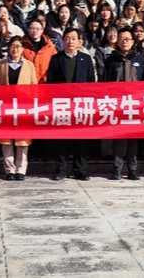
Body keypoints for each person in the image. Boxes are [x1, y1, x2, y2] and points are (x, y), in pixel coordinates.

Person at [47, 29, 96, 181]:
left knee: (81, 139)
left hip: (80, 105)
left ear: (79, 41)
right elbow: (50, 83)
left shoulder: (86, 59)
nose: (70, 41)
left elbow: (91, 82)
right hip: (62, 105)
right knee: (61, 139)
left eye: (73, 38)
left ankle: (80, 170)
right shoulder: (56, 59)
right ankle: (61, 170)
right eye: (67, 38)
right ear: (63, 41)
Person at [104, 27, 144, 180]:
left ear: (132, 42)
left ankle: (132, 169)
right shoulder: (111, 60)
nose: (125, 42)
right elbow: (105, 83)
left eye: (128, 39)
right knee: (117, 138)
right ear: (117, 42)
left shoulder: (139, 59)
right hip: (116, 104)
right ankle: (117, 169)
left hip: (134, 104)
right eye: (122, 39)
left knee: (133, 138)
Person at [0, 36, 38, 180]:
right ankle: (9, 170)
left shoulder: (29, 65)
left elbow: (34, 87)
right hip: (6, 106)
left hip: (23, 106)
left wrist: (32, 105)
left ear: (23, 49)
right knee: (6, 140)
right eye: (13, 46)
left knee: (22, 140)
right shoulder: (2, 65)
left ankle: (21, 170)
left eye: (18, 46)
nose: (15, 49)